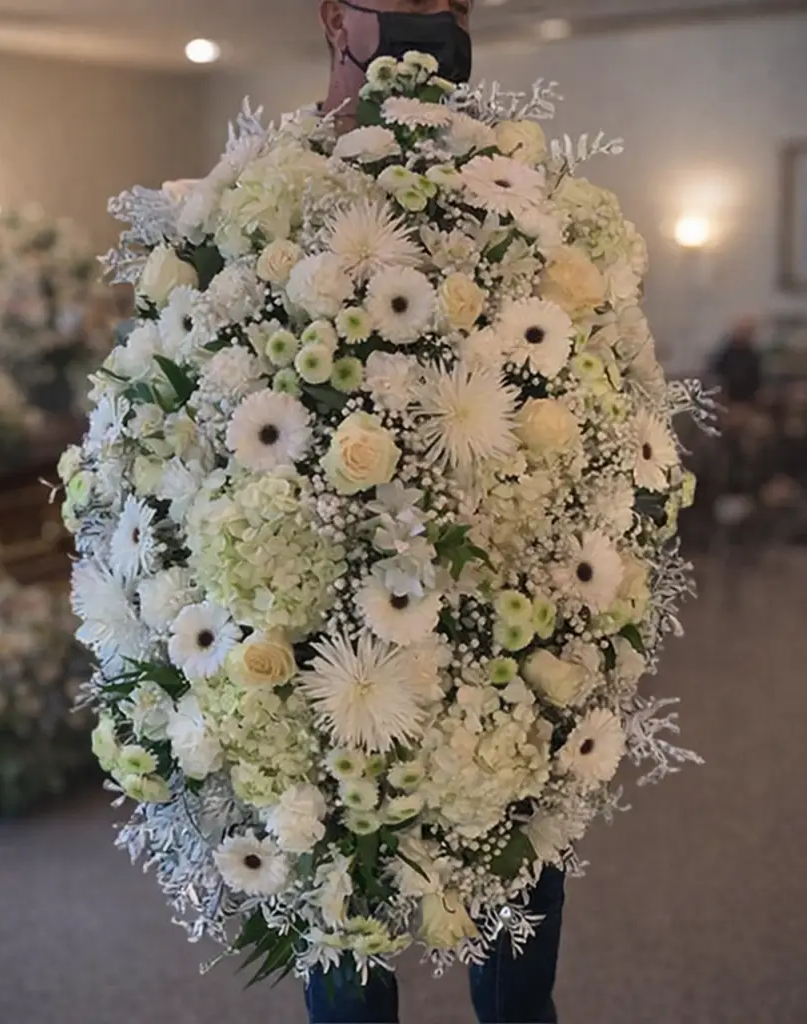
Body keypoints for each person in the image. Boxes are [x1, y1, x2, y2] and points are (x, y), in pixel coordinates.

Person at [302, 3, 567, 1022]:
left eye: (452, 2)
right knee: (347, 945)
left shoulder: (512, 195)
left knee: (516, 970)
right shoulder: (284, 197)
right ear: (334, 16)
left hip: (502, 614)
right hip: (333, 637)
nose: (435, 17)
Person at [709, 315, 762, 408]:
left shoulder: (753, 355)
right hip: (727, 397)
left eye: (748, 332)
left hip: (748, 399)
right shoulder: (724, 354)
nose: (744, 335)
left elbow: (758, 379)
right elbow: (715, 375)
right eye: (742, 332)